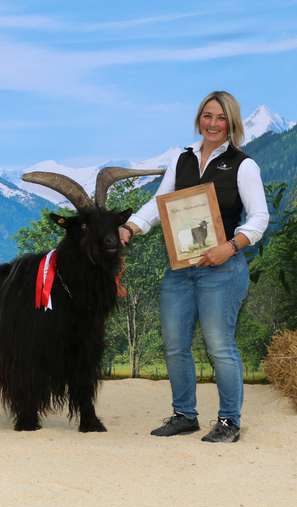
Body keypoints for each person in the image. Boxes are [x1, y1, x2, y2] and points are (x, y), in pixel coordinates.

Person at [119, 91, 269, 443]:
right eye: (207, 116)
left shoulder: (243, 165)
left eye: (221, 118)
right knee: (174, 345)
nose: (213, 124)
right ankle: (184, 415)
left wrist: (229, 247)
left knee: (220, 346)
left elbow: (260, 218)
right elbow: (159, 204)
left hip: (223, 269)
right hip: (180, 268)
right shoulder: (182, 160)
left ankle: (229, 421)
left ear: (232, 123)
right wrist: (131, 226)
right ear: (199, 119)